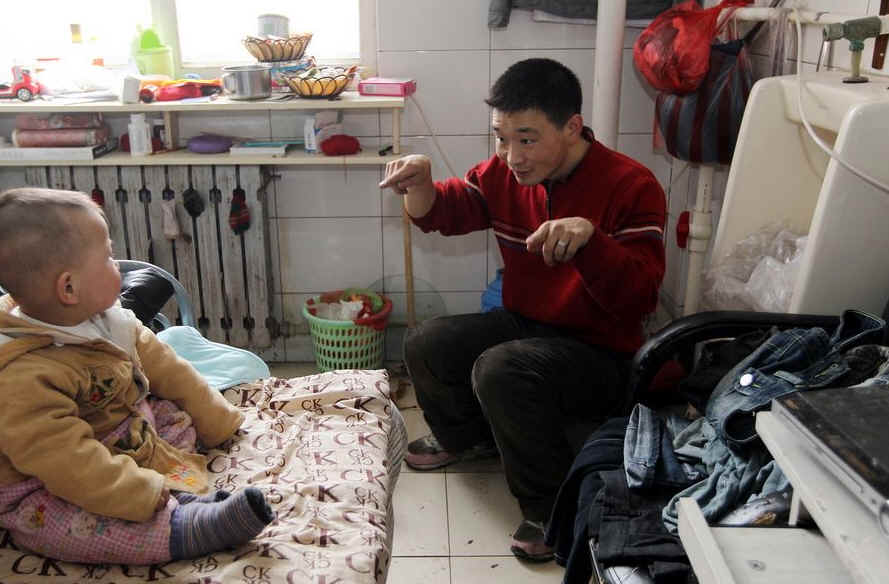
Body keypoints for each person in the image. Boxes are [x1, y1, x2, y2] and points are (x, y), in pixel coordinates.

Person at [379, 58, 666, 562]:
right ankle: (464, 438)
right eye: (501, 138)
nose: (513, 156)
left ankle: (551, 507)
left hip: (602, 350)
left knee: (501, 368)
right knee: (427, 341)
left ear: (572, 127)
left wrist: (591, 241)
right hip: (528, 323)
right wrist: (420, 183)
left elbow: (640, 298)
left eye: (527, 139)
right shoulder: (504, 174)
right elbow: (445, 212)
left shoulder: (631, 185)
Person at [0, 188, 274, 565]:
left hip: (117, 432)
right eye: (108, 258)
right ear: (69, 288)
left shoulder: (109, 321)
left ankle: (179, 494)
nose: (117, 265)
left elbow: (172, 372)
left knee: (171, 411)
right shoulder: (22, 375)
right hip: (49, 480)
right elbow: (70, 465)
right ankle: (183, 528)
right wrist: (143, 493)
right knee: (69, 526)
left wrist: (219, 421)